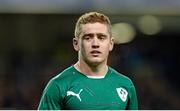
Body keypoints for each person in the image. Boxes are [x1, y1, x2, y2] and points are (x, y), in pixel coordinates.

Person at [38, 11, 138, 110]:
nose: (95, 44)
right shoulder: (58, 86)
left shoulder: (125, 85)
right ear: (76, 44)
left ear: (111, 44)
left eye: (101, 37)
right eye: (88, 38)